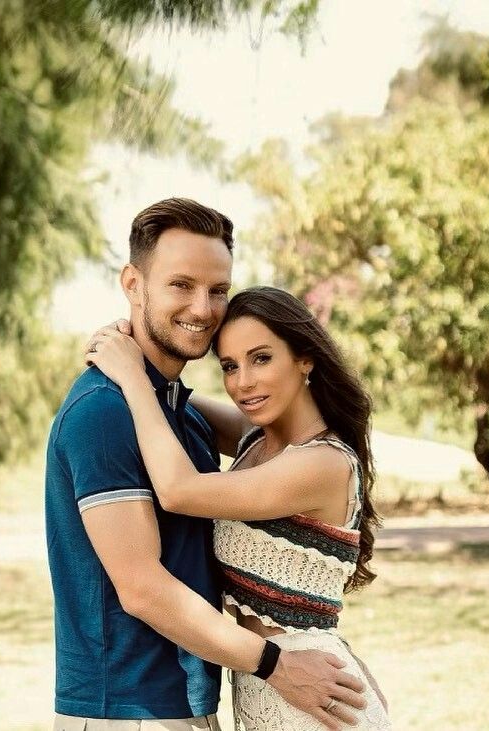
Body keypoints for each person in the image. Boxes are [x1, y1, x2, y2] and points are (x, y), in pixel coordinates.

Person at [45, 198, 368, 731]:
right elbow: (142, 587)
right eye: (181, 284)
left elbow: (194, 468)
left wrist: (139, 376)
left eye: (218, 289)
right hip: (128, 711)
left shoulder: (178, 414)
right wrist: (127, 371)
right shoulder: (103, 414)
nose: (202, 308)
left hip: (209, 702)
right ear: (133, 284)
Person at [85, 285, 391, 731]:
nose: (242, 382)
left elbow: (177, 489)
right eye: (230, 366)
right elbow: (171, 404)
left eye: (261, 358)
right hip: (271, 684)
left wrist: (131, 376)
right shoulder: (256, 441)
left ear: (305, 359)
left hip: (310, 694)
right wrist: (126, 349)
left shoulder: (323, 462)